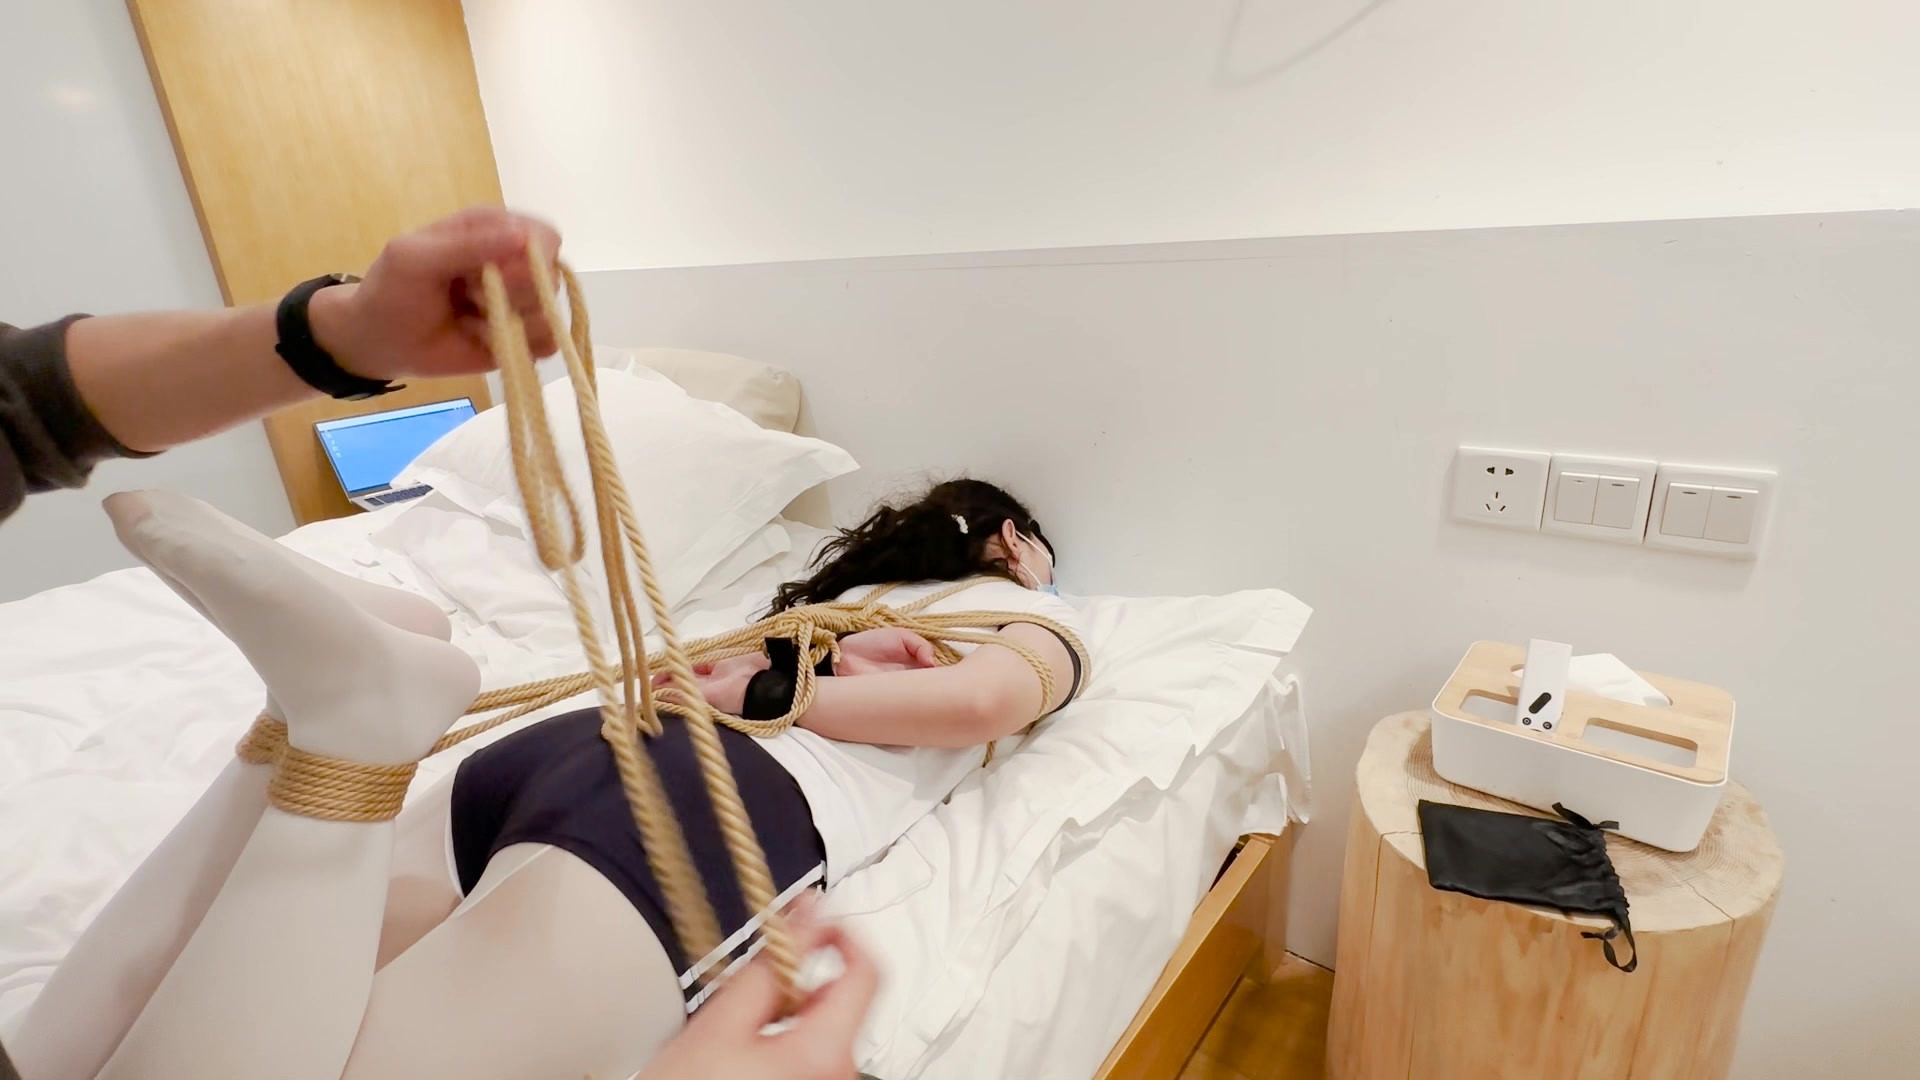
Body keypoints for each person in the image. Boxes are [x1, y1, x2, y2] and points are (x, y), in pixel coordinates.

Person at [0, 207, 879, 1080]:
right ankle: (345, 717)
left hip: (609, 771)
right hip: (670, 789)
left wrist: (770, 683)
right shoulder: (877, 629)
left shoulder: (955, 623)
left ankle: (323, 721)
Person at [10, 478, 1077, 1079]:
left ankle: (314, 722)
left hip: (573, 753)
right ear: (1014, 542)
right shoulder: (1035, 613)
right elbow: (981, 705)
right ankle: (344, 717)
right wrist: (757, 699)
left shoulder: (819, 612)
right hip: (702, 807)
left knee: (226, 988)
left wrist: (749, 681)